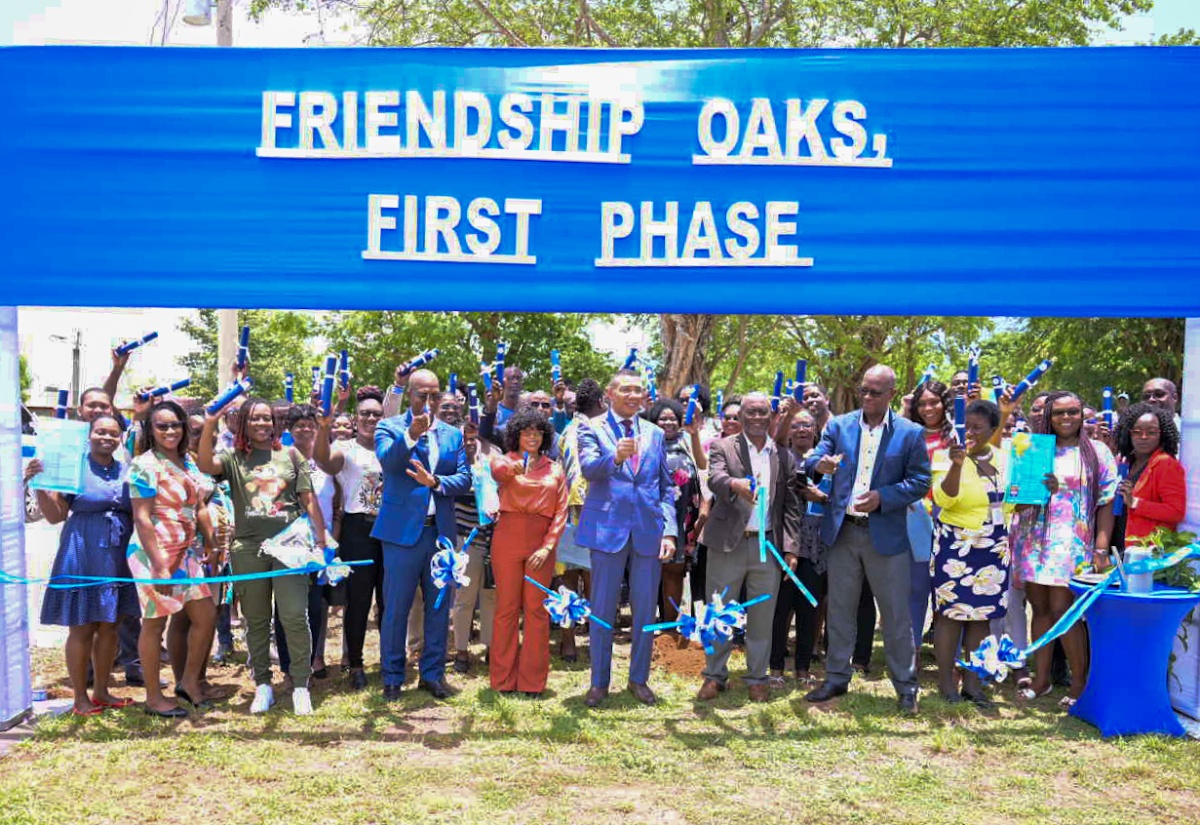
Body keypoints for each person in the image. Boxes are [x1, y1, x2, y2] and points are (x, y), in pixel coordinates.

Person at [803, 365, 931, 713]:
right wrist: (821, 464)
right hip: (843, 531)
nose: (868, 397)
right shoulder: (839, 425)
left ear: (892, 393)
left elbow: (921, 481)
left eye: (875, 392)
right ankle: (836, 677)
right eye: (864, 391)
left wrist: (883, 497)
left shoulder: (910, 433)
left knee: (895, 615)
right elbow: (814, 457)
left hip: (886, 535)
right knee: (841, 610)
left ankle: (905, 686)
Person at [196, 397, 329, 715]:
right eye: (255, 419)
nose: (262, 424)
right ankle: (264, 685)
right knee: (254, 620)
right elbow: (204, 465)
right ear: (243, 422)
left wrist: (323, 541)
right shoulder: (233, 457)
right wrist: (211, 422)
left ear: (275, 423)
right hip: (248, 548)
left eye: (267, 418)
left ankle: (299, 684)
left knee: (295, 616)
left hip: (289, 547)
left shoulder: (292, 455)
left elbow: (308, 500)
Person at [1009, 391, 1117, 708]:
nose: (1066, 418)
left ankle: (1079, 682)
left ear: (1082, 415)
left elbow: (1107, 501)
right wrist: (1040, 490)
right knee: (1039, 609)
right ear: (1049, 417)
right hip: (1033, 540)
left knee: (1065, 611)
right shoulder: (1033, 449)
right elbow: (1017, 502)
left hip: (1072, 541)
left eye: (1073, 411)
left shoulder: (1096, 452)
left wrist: (1101, 546)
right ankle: (1042, 680)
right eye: (1059, 413)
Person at [576, 369, 677, 707]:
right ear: (610, 393)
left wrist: (670, 531)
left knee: (645, 611)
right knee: (603, 610)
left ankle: (639, 679)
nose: (634, 396)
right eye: (627, 390)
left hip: (648, 532)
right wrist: (615, 456)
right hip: (608, 531)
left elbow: (665, 487)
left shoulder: (654, 433)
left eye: (639, 390)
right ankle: (599, 682)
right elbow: (590, 469)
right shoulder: (590, 427)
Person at [372, 369, 471, 701]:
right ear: (410, 394)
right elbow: (388, 462)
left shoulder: (452, 434)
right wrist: (411, 436)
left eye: (434, 395)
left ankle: (432, 675)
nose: (428, 402)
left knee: (439, 607)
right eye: (422, 395)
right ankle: (392, 676)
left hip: (439, 535)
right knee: (396, 608)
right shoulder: (389, 426)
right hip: (401, 535)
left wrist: (437, 484)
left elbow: (464, 478)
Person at [31, 414, 139, 716]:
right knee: (82, 626)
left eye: (113, 433)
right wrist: (39, 486)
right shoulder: (73, 467)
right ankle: (80, 697)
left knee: (110, 625)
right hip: (82, 550)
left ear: (120, 438)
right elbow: (54, 516)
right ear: (89, 435)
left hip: (117, 553)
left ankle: (102, 691)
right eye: (100, 432)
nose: (107, 437)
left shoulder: (125, 469)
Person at [696, 393, 800, 702]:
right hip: (727, 544)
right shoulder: (722, 446)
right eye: (749, 412)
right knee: (719, 612)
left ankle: (757, 677)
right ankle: (715, 675)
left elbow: (791, 506)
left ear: (772, 417)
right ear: (740, 416)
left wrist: (791, 549)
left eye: (762, 412)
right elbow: (714, 477)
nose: (756, 417)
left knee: (762, 615)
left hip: (766, 545)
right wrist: (734, 484)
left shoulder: (783, 455)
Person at [127, 400, 218, 717]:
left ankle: (189, 682)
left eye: (175, 424)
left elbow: (201, 505)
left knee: (206, 616)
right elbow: (142, 518)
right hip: (156, 553)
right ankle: (153, 698)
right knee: (154, 624)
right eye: (162, 425)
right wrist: (160, 566)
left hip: (188, 552)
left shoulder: (188, 462)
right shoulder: (144, 465)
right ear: (151, 430)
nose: (170, 430)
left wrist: (212, 542)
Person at [931, 399, 1009, 707]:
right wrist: (956, 464)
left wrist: (1044, 489)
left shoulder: (1006, 459)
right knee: (950, 616)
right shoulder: (944, 456)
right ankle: (946, 682)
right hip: (956, 545)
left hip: (994, 545)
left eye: (977, 428)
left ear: (993, 429)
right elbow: (943, 499)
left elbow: (1013, 499)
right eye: (966, 428)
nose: (970, 434)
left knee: (982, 618)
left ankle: (973, 684)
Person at [488, 408, 569, 697]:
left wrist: (548, 546)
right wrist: (514, 469)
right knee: (506, 609)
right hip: (507, 536)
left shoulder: (555, 468)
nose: (532, 436)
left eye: (538, 431)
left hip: (540, 541)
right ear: (517, 435)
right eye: (526, 431)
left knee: (536, 611)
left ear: (545, 435)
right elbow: (496, 473)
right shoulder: (505, 460)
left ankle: (533, 682)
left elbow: (561, 512)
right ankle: (502, 680)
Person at [315, 386, 386, 691]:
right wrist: (322, 428)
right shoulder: (346, 448)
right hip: (358, 530)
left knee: (388, 601)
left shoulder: (389, 446)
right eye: (365, 413)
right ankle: (355, 663)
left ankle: (389, 660)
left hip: (389, 530)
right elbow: (323, 462)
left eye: (377, 414)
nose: (371, 418)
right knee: (358, 601)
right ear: (356, 419)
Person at [275, 404, 340, 683]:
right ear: (289, 429)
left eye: (310, 423)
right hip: (285, 545)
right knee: (287, 607)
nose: (305, 428)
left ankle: (311, 661)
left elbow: (337, 503)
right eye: (298, 424)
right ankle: (288, 666)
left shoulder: (326, 461)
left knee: (314, 604)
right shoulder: (279, 459)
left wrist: (329, 541)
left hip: (319, 543)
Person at [769, 406, 828, 685]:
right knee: (781, 607)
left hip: (816, 545)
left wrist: (822, 497)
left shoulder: (828, 461)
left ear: (816, 430)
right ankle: (776, 667)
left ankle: (803, 668)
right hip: (784, 543)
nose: (802, 429)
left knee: (810, 607)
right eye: (795, 425)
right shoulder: (780, 457)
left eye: (807, 425)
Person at [555, 377, 606, 663]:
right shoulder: (593, 430)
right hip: (587, 512)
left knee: (569, 580)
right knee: (593, 580)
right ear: (601, 403)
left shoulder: (567, 430)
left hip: (569, 513)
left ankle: (569, 644)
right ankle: (587, 643)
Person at [905, 380, 955, 652]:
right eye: (922, 403)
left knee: (947, 591)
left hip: (951, 520)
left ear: (945, 403)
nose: (928, 408)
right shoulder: (909, 435)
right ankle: (909, 652)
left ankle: (950, 656)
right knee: (916, 588)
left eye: (934, 402)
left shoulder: (956, 436)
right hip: (914, 519)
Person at [645, 399, 705, 624]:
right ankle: (646, 625)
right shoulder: (646, 443)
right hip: (651, 517)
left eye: (673, 418)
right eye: (663, 418)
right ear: (654, 421)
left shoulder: (688, 443)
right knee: (649, 573)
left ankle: (670, 625)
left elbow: (703, 467)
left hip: (684, 519)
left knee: (675, 572)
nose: (668, 422)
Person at [450, 416, 498, 673]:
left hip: (492, 540)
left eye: (473, 438)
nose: (469, 443)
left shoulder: (490, 464)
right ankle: (461, 651)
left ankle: (490, 647)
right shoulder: (454, 467)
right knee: (464, 597)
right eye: (464, 439)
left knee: (491, 596)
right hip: (466, 540)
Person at [1114, 402, 1186, 544]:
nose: (1144, 437)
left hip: (1146, 552)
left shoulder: (1166, 464)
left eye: (1151, 432)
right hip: (1118, 543)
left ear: (1162, 434)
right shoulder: (1125, 462)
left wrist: (1134, 502)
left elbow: (1176, 511)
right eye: (1137, 432)